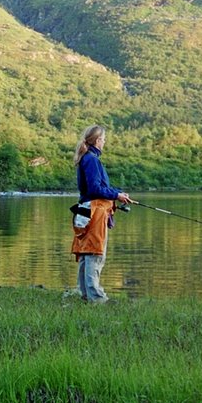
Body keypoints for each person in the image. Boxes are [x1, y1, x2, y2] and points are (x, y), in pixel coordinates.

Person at [71, 125, 132, 303]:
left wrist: (118, 194)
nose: (105, 142)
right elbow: (95, 188)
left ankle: (85, 294)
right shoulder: (91, 160)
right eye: (104, 139)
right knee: (95, 254)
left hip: (86, 209)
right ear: (98, 140)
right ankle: (96, 298)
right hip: (94, 212)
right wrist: (116, 195)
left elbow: (99, 187)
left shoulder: (88, 158)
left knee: (86, 253)